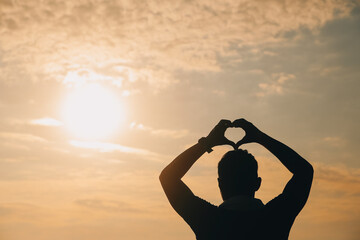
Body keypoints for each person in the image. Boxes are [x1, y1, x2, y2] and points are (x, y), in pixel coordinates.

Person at [159, 118, 313, 240]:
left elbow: (168, 178)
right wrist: (261, 138)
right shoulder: (276, 217)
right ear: (257, 183)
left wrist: (207, 143)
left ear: (220, 184)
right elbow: (304, 172)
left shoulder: (207, 220)